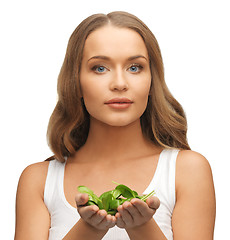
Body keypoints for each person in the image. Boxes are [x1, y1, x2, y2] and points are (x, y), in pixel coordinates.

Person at [14, 11, 216, 240]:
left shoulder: (187, 171)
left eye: (134, 67)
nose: (120, 83)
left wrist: (142, 228)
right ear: (75, 82)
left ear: (152, 81)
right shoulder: (38, 181)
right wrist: (88, 230)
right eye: (100, 68)